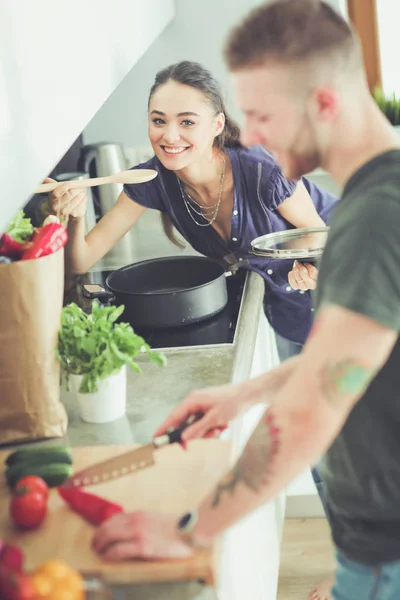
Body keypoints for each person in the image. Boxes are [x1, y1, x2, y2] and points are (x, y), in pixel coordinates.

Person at [90, 3, 400, 600]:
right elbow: (353, 364)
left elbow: (311, 409)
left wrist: (190, 534)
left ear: (322, 105)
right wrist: (245, 393)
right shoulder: (378, 196)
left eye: (261, 116)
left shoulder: (371, 221)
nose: (249, 138)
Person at [51, 60, 337, 367]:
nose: (170, 136)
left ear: (217, 125)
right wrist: (76, 215)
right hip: (289, 304)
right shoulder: (152, 180)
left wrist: (309, 266)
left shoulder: (265, 172)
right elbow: (82, 260)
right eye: (159, 121)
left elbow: (325, 245)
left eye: (187, 122)